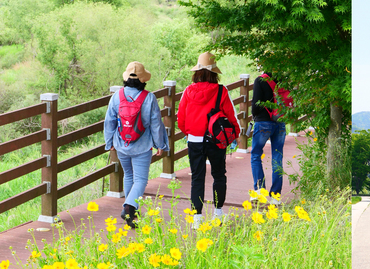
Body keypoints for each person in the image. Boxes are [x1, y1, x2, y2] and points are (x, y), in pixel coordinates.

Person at [177, 52, 240, 229]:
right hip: (215, 141)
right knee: (218, 175)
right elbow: (231, 116)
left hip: (195, 141)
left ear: (197, 72)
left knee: (197, 178)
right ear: (214, 73)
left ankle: (197, 219)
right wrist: (233, 135)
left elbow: (180, 118)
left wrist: (190, 132)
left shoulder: (188, 91)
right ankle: (218, 214)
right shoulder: (221, 91)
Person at [104, 61, 169, 229]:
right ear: (143, 80)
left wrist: (109, 141)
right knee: (140, 179)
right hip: (142, 145)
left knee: (129, 176)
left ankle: (131, 212)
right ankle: (129, 208)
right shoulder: (149, 97)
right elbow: (156, 124)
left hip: (122, 144)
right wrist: (160, 144)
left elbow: (109, 121)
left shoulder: (117, 96)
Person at [250, 71, 291, 205]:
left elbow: (255, 105)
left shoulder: (260, 81)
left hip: (263, 123)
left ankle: (259, 191)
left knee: (256, 154)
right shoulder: (283, 81)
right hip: (280, 122)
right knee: (277, 158)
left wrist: (256, 115)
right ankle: (275, 197)